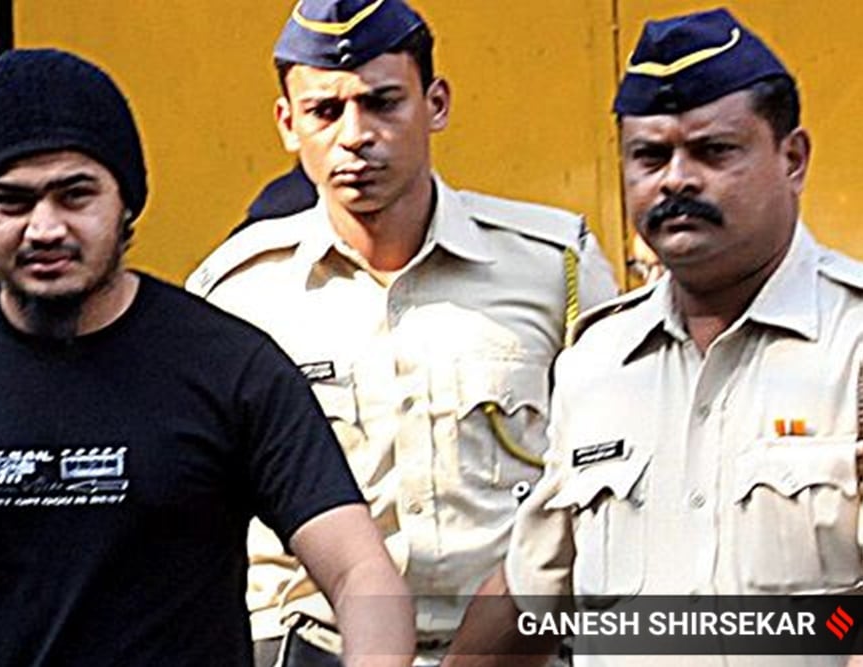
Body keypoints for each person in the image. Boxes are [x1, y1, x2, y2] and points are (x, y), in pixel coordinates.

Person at [0, 48, 415, 667]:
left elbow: (361, 575)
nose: (45, 227)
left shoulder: (232, 368)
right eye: (12, 201)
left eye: (75, 194)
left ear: (126, 201)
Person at [186, 1, 618, 664]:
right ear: (287, 123)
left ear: (436, 103)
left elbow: (610, 481)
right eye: (325, 111)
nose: (356, 135)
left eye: (383, 103)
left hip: (511, 648)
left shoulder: (552, 266)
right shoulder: (237, 295)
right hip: (312, 645)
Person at [445, 8, 863, 667]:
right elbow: (533, 596)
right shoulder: (597, 362)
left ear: (793, 158)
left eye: (714, 151)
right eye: (650, 156)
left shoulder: (854, 346)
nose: (676, 179)